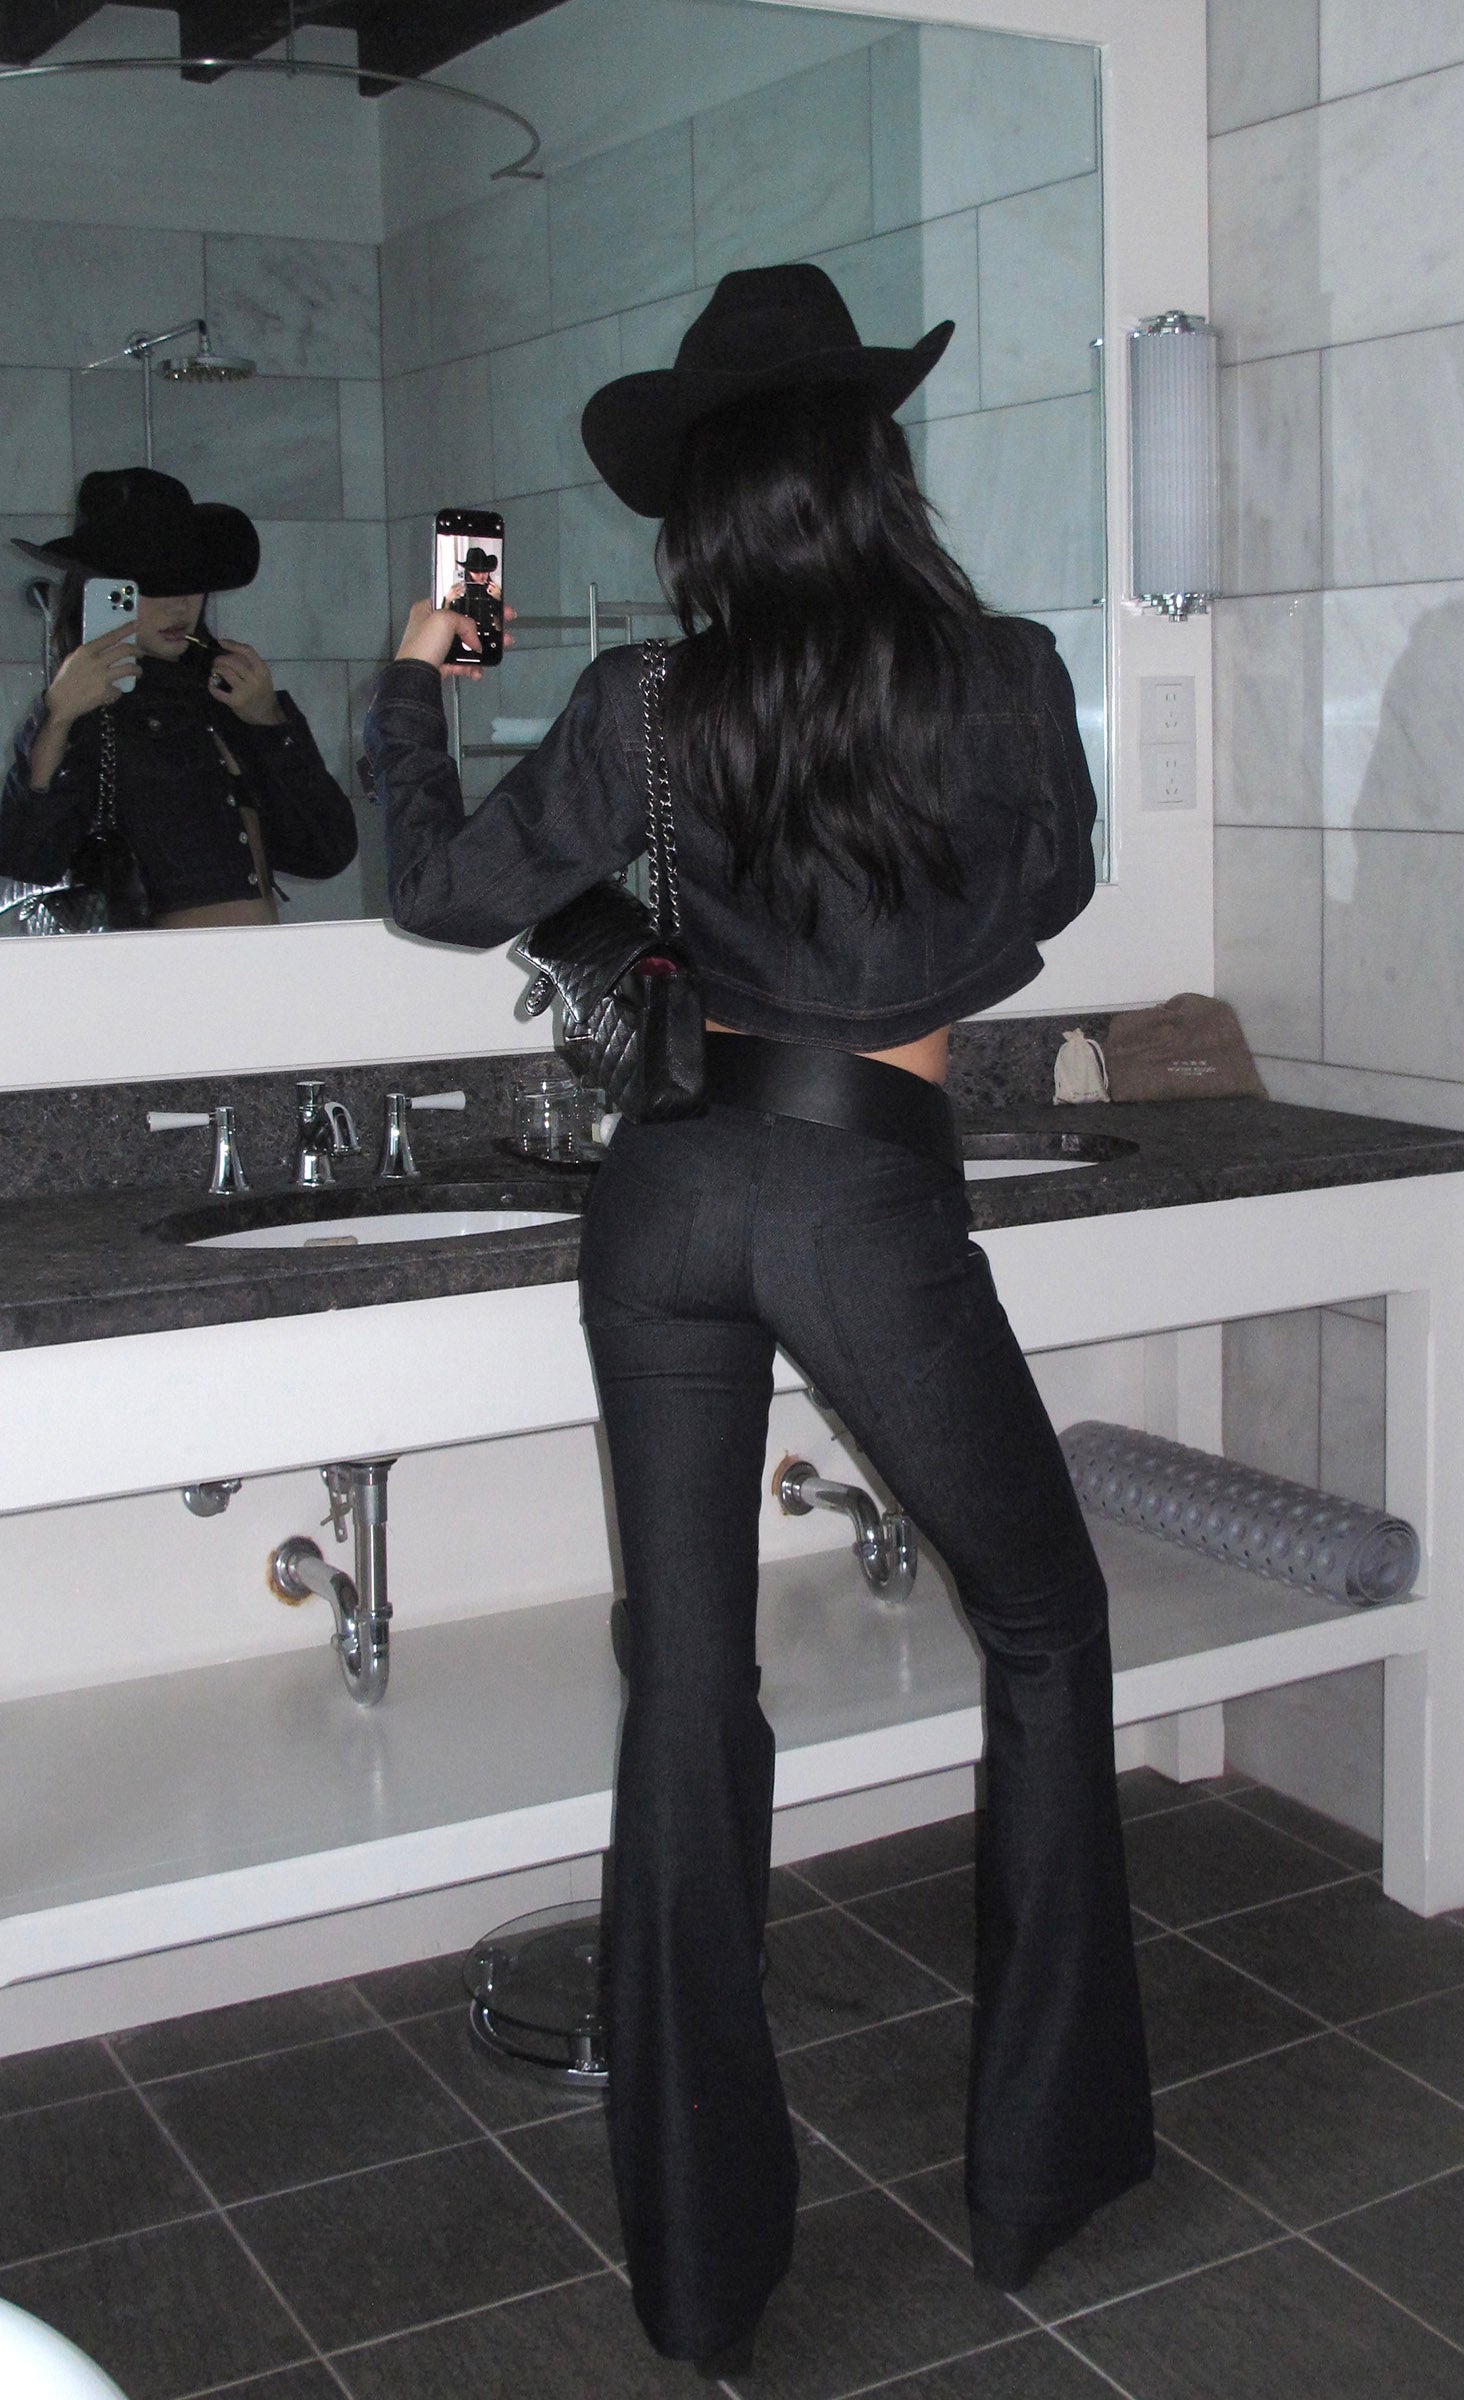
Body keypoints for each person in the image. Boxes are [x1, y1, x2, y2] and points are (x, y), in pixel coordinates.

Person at [364, 264, 1153, 2372]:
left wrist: (418, 683)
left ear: (703, 508)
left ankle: (706, 2269)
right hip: (861, 1195)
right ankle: (1040, 2165)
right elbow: (1050, 894)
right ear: (875, 462)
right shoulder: (1003, 674)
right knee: (1049, 1626)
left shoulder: (644, 707)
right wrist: (872, 931)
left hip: (666, 1198)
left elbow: (439, 891)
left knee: (691, 1692)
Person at [1, 468, 357, 928]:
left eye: (190, 580)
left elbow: (326, 852)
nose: (179, 604)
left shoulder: (224, 696)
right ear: (102, 591)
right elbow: (26, 857)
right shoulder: (92, 713)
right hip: (159, 969)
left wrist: (269, 723)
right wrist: (57, 718)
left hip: (265, 961)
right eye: (152, 586)